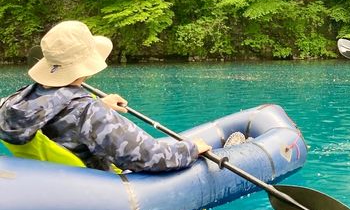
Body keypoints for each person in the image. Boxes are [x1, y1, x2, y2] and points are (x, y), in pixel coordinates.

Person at [0, 20, 211, 172]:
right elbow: (147, 156)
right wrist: (192, 149)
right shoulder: (88, 113)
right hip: (92, 192)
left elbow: (60, 116)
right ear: (86, 66)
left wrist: (101, 105)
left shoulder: (16, 102)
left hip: (50, 183)